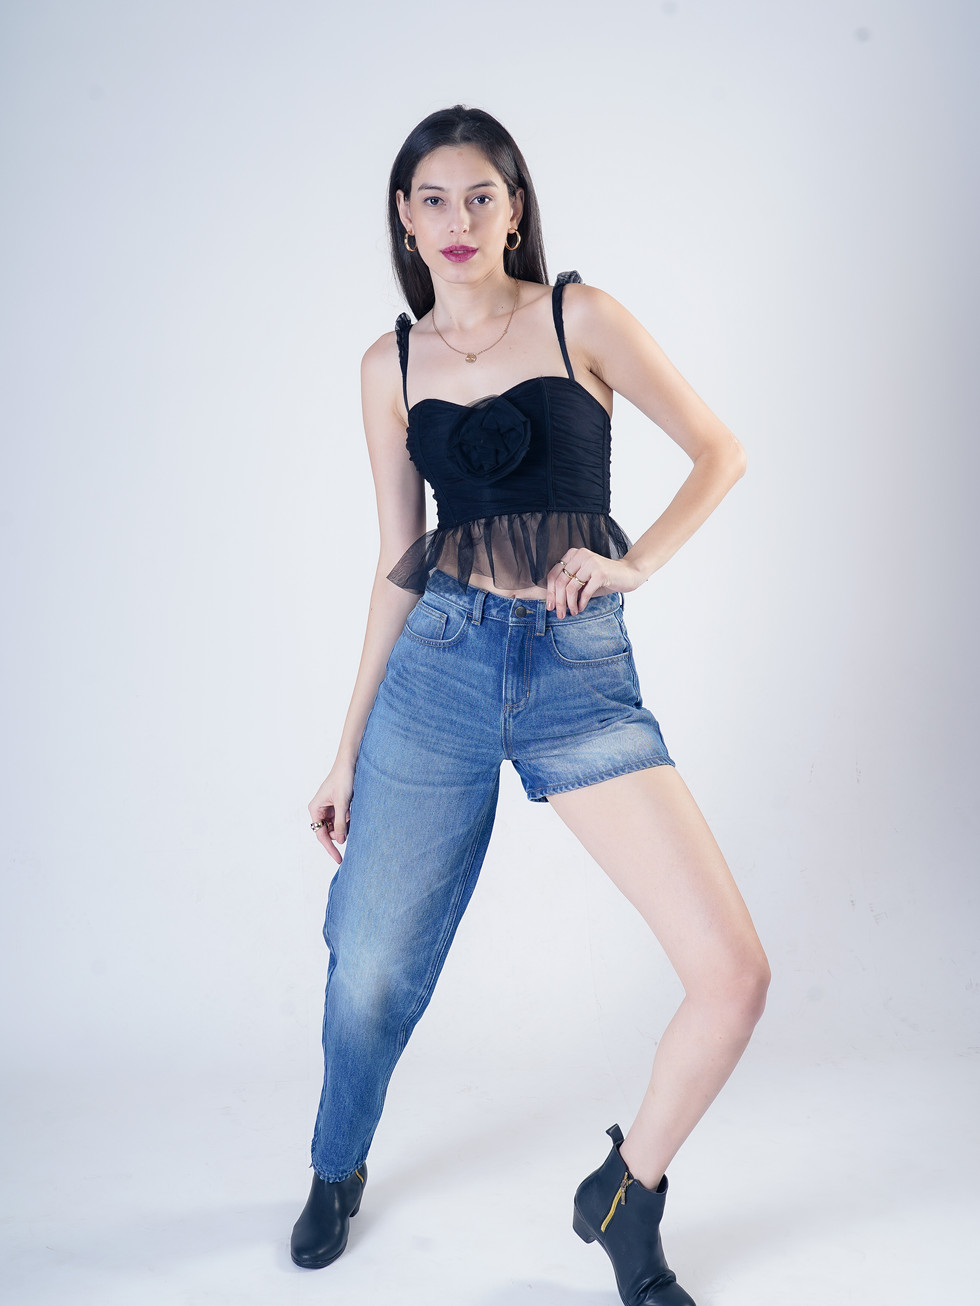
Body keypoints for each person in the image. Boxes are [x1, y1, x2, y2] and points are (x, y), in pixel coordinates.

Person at [289, 104, 770, 1306]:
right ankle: (336, 1164)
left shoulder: (576, 316)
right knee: (369, 969)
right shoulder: (388, 365)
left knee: (731, 973)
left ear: (514, 209)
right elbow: (396, 559)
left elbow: (718, 450)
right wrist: (345, 747)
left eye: (480, 196)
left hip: (575, 673)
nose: (457, 220)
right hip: (438, 669)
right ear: (404, 218)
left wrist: (635, 562)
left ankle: (623, 1193)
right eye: (433, 199)